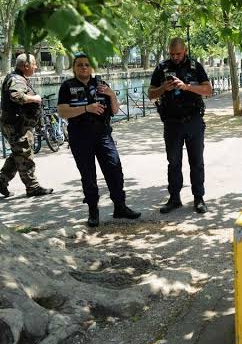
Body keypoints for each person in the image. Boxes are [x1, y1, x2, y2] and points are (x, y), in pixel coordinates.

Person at [57, 53, 140, 227]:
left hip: (103, 134)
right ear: (74, 68)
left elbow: (115, 111)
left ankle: (120, 207)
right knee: (88, 175)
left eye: (87, 64)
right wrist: (87, 108)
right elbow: (62, 111)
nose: (84, 67)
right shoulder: (67, 86)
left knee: (114, 169)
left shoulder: (101, 84)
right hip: (80, 137)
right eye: (80, 65)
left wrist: (111, 94)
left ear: (92, 67)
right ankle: (93, 211)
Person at [148, 37, 213, 214]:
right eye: (172, 54)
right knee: (174, 162)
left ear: (185, 51)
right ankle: (174, 198)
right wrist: (163, 88)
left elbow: (208, 90)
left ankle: (198, 198)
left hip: (193, 120)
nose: (175, 57)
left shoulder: (195, 66)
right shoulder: (162, 68)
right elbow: (151, 94)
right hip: (172, 123)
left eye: (178, 53)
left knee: (196, 161)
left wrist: (186, 87)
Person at [0, 53, 53, 198]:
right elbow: (16, 96)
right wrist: (35, 98)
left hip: (18, 125)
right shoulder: (17, 79)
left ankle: (1, 181)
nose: (36, 67)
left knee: (18, 155)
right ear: (26, 66)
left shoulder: (19, 77)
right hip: (17, 126)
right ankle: (33, 187)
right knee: (25, 156)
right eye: (34, 64)